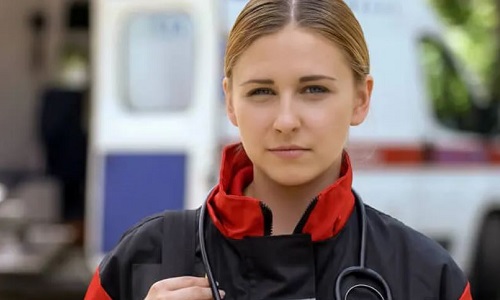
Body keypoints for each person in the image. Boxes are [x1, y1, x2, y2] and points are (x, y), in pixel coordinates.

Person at [85, 0, 473, 299]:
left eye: (314, 89)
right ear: (231, 103)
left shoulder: (428, 276)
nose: (286, 119)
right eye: (262, 92)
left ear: (360, 99)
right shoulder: (144, 259)